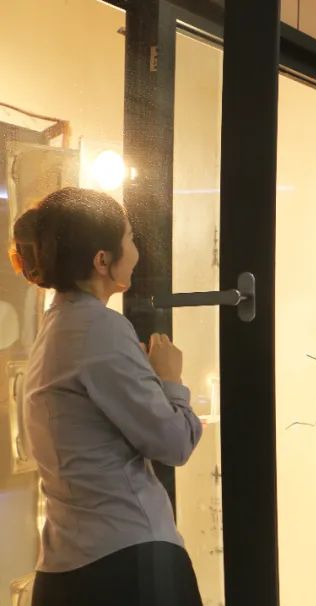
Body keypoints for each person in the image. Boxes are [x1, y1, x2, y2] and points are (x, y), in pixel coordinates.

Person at [12, 188, 202, 605]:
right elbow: (174, 442)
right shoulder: (100, 328)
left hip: (66, 569)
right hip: (127, 562)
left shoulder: (57, 327)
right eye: (130, 238)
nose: (136, 252)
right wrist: (171, 380)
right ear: (102, 260)